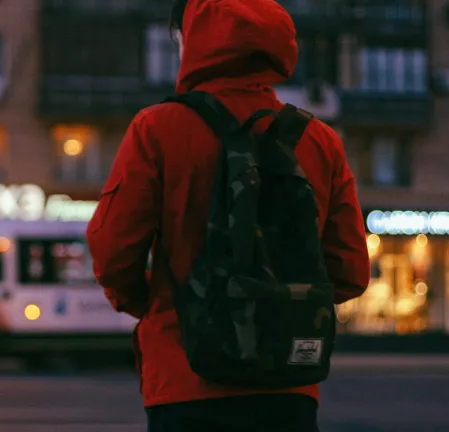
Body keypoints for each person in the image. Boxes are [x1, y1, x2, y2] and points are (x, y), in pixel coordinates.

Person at [86, 0, 370, 430]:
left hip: (185, 381)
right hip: (288, 387)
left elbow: (111, 252)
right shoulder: (319, 140)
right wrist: (280, 304)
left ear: (192, 40)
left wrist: (156, 304)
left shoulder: (157, 128)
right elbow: (349, 271)